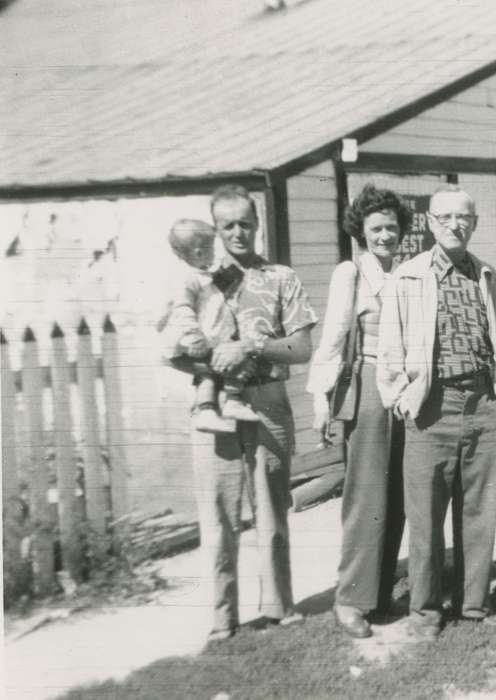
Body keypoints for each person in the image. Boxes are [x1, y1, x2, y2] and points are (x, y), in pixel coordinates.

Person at [174, 185, 317, 642]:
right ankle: (223, 617)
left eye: (245, 223)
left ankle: (280, 606)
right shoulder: (197, 279)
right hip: (214, 406)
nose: (238, 232)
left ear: (258, 224)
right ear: (214, 229)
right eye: (227, 225)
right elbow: (173, 353)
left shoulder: (280, 277)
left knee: (273, 510)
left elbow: (301, 347)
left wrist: (251, 345)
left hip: (269, 401)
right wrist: (218, 360)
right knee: (218, 515)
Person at [377, 184, 496, 641]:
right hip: (430, 409)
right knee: (425, 516)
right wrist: (401, 395)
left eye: (464, 218)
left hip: (480, 405)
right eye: (446, 218)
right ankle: (426, 612)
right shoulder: (409, 276)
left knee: (479, 511)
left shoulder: (485, 274)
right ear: (431, 224)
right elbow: (389, 346)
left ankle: (474, 605)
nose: (456, 225)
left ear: (474, 224)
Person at [306, 184, 410, 639]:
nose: (385, 235)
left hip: (405, 391)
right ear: (361, 232)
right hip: (367, 388)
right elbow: (332, 340)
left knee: (399, 496)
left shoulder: (408, 273)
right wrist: (319, 401)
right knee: (366, 496)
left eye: (391, 227)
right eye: (376, 229)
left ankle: (381, 594)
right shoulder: (351, 274)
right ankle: (350, 599)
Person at [158, 218, 261, 434]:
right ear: (197, 253)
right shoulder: (187, 279)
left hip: (205, 337)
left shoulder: (203, 272)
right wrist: (194, 336)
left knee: (210, 371)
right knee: (217, 367)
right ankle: (221, 406)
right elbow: (183, 310)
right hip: (190, 340)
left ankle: (217, 407)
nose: (215, 251)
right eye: (211, 247)